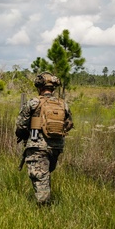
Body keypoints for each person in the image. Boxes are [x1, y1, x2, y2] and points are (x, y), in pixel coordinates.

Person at [16, 72, 73, 205]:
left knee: (40, 180)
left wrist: (26, 136)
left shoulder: (33, 103)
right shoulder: (62, 104)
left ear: (39, 87)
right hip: (56, 148)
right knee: (44, 177)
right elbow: (69, 124)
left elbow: (20, 127)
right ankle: (46, 204)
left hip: (37, 147)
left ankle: (44, 212)